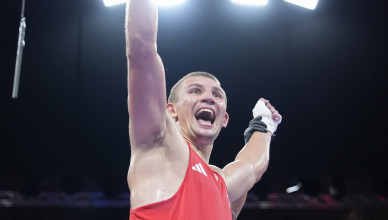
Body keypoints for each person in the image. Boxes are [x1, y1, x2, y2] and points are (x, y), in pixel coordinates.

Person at [125, 1, 282, 219]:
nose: (208, 97)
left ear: (224, 118)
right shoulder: (158, 149)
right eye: (196, 91)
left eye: (217, 95)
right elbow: (142, 51)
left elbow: (252, 167)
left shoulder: (223, 185)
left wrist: (264, 124)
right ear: (170, 111)